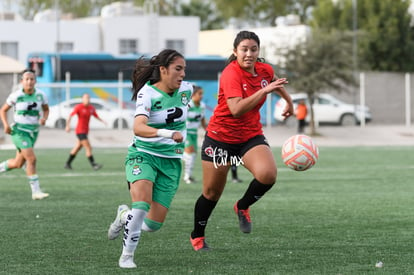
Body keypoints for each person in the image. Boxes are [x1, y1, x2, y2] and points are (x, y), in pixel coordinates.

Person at [190, 30, 294, 251]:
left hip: (249, 136)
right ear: (235, 51)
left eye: (253, 49)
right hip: (220, 140)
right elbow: (236, 109)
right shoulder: (231, 74)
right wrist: (264, 90)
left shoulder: (264, 69)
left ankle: (242, 206)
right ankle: (197, 236)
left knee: (268, 175)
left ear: (259, 51)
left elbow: (274, 82)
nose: (249, 54)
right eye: (244, 49)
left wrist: (289, 102)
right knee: (211, 193)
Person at [106, 49, 192, 268]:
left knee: (152, 225)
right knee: (141, 204)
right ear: (163, 70)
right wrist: (166, 133)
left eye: (184, 69)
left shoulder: (187, 90)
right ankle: (126, 257)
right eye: (178, 69)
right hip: (143, 155)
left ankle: (124, 215)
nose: (182, 74)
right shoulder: (148, 93)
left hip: (171, 162)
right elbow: (139, 127)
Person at [0, 69, 50, 200]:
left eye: (31, 79)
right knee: (31, 159)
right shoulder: (16, 96)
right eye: (26, 79)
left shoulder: (41, 95)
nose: (29, 82)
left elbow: (46, 109)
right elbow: (3, 110)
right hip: (19, 131)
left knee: (17, 163)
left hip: (33, 132)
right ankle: (36, 192)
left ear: (35, 81)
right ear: (22, 81)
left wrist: (44, 118)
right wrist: (5, 125)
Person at [64, 93, 106, 170]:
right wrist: (67, 126)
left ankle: (67, 163)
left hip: (86, 131)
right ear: (82, 99)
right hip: (80, 131)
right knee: (88, 147)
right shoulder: (79, 107)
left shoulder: (91, 108)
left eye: (88, 98)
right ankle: (94, 165)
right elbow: (70, 116)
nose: (87, 99)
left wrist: (103, 121)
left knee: (77, 147)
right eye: (85, 98)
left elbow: (96, 116)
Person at [182, 85, 207, 184]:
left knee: (192, 155)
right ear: (193, 95)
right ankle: (187, 177)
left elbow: (203, 121)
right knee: (189, 154)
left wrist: (207, 131)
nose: (201, 96)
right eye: (199, 94)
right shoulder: (188, 105)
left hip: (194, 133)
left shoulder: (202, 106)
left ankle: (188, 176)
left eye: (202, 94)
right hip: (186, 132)